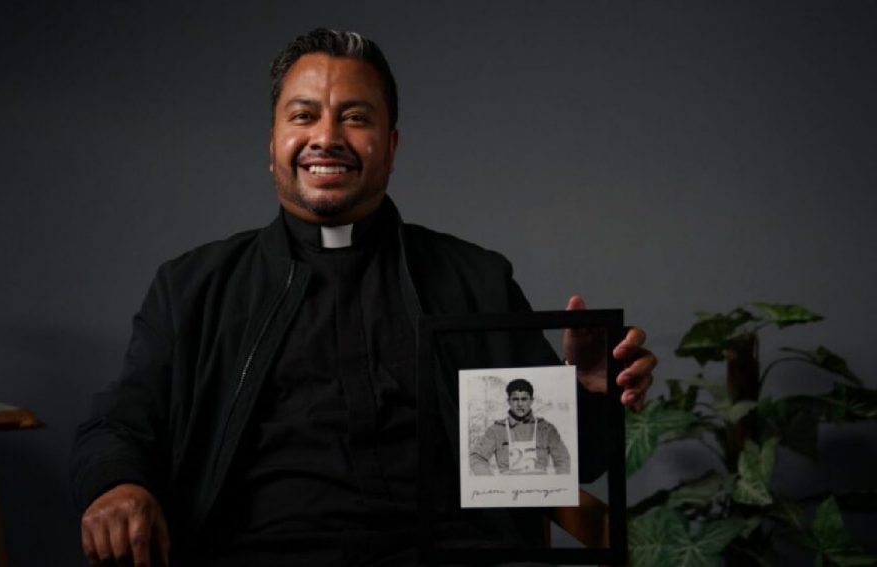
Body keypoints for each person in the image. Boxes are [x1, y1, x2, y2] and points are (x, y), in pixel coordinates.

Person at [70, 28, 656, 566]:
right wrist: (118, 485)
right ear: (273, 142)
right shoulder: (193, 286)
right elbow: (118, 425)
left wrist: (586, 393)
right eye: (303, 116)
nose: (326, 138)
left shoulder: (476, 280)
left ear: (391, 146)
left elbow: (561, 460)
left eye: (355, 118)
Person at [469, 379, 570, 476]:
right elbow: (476, 457)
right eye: (515, 399)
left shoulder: (546, 429)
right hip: (508, 486)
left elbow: (563, 459)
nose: (520, 404)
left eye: (524, 399)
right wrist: (491, 482)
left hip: (539, 486)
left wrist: (557, 483)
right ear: (509, 401)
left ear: (531, 401)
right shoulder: (496, 430)